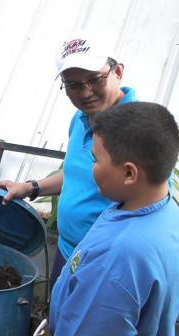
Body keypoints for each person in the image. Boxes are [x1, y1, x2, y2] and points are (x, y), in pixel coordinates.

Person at [0, 30, 138, 290]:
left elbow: (151, 205)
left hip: (106, 264)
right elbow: (76, 173)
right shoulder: (80, 118)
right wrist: (31, 187)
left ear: (117, 72)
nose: (86, 92)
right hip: (68, 250)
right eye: (73, 85)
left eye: (95, 79)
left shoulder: (139, 129)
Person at [49, 101, 179, 335]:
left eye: (96, 160)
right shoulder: (164, 211)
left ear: (129, 173)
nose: (91, 168)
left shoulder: (115, 259)